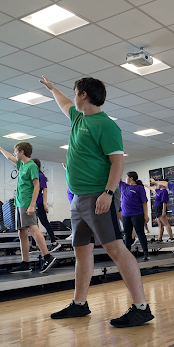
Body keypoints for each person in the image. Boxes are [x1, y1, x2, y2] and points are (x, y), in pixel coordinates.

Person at [40, 75, 154, 327]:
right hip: (78, 199)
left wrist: (109, 193)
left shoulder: (106, 125)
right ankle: (79, 304)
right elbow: (64, 104)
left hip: (98, 197)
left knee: (116, 249)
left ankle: (141, 307)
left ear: (84, 95)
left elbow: (118, 162)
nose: (72, 97)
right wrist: (52, 87)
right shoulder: (78, 118)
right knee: (81, 250)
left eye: (75, 92)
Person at [0, 142, 55, 274]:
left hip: (27, 202)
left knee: (33, 229)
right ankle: (25, 262)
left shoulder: (31, 166)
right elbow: (10, 157)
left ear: (22, 152)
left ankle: (48, 256)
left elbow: (37, 186)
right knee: (22, 232)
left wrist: (32, 205)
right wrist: (0, 148)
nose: (14, 153)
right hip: (19, 202)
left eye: (16, 151)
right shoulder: (22, 164)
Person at [31, 158, 61, 253]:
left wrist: (44, 204)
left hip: (39, 202)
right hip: (32, 203)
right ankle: (33, 246)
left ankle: (54, 242)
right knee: (33, 225)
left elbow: (45, 189)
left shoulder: (40, 176)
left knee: (44, 222)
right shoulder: (33, 176)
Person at [120, 172, 150, 261]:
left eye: (127, 177)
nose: (125, 178)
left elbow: (144, 202)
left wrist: (146, 215)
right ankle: (127, 254)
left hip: (137, 213)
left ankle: (146, 253)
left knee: (140, 233)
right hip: (125, 214)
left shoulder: (139, 188)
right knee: (127, 234)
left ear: (131, 178)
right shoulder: (123, 186)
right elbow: (116, 176)